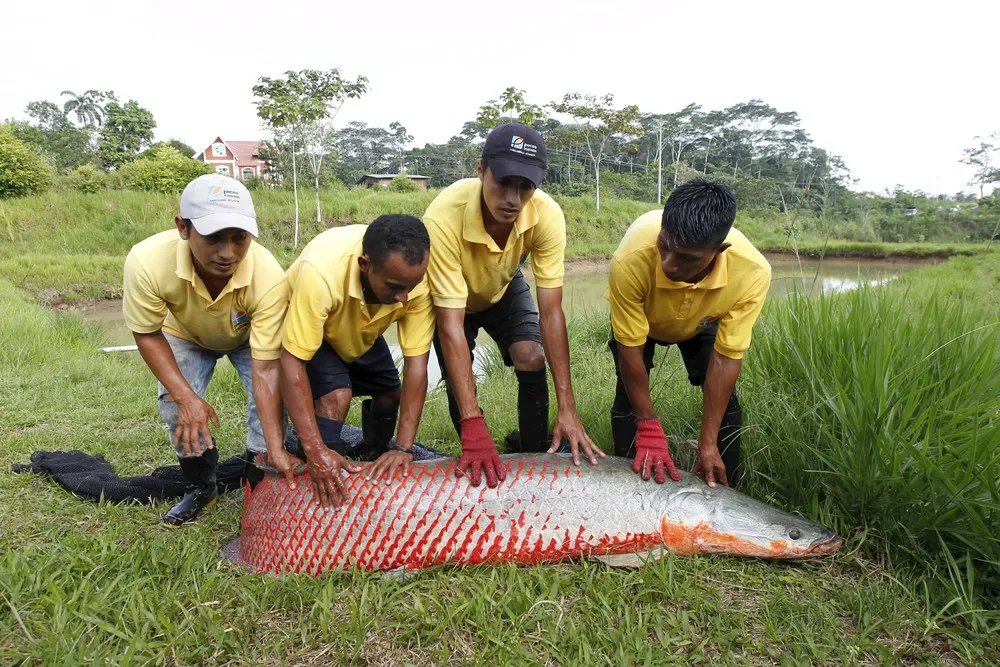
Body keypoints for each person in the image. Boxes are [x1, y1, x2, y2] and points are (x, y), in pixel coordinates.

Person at [423, 122, 603, 489]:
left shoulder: (547, 216)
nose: (513, 198)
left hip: (503, 285)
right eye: (503, 182)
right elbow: (452, 324)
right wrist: (473, 422)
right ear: (480, 170)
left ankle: (536, 455)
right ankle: (474, 446)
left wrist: (568, 408)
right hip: (453, 299)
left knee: (531, 355)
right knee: (462, 378)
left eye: (525, 187)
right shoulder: (443, 216)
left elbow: (551, 311)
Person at [123, 173, 289, 526]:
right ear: (183, 228)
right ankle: (201, 489)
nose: (228, 253)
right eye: (214, 238)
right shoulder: (148, 261)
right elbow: (148, 332)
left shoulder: (269, 276)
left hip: (249, 338)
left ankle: (259, 491)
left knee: (269, 405)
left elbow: (268, 368)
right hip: (183, 333)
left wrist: (274, 442)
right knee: (175, 409)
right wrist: (186, 398)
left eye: (239, 238)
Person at [606, 178, 771, 488]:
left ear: (719, 251)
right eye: (664, 246)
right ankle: (628, 486)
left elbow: (725, 359)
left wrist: (708, 443)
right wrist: (650, 426)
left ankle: (723, 488)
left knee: (728, 406)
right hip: (644, 316)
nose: (669, 264)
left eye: (687, 258)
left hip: (703, 320)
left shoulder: (752, 272)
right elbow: (630, 347)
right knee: (628, 395)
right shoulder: (631, 259)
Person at [279, 215, 434, 508]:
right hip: (316, 329)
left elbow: (416, 364)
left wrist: (403, 448)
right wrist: (315, 448)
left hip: (362, 325)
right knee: (336, 397)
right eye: (395, 286)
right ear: (365, 265)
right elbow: (292, 362)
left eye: (412, 286)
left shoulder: (413, 282)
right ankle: (313, 474)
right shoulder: (321, 273)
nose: (405, 298)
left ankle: (374, 459)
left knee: (390, 395)